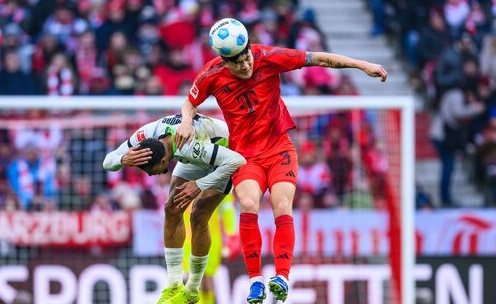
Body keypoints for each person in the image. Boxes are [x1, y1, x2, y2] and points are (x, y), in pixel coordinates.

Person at [175, 18, 387, 303]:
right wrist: (186, 121)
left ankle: (282, 277)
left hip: (278, 148)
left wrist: (362, 64)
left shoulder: (268, 57)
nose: (245, 64)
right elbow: (189, 102)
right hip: (245, 155)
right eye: (236, 62)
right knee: (249, 203)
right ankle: (255, 282)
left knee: (282, 204)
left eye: (246, 55)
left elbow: (319, 59)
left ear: (250, 47)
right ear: (224, 61)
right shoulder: (210, 75)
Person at [103, 114, 246, 304]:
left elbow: (237, 161)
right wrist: (122, 159)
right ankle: (173, 285)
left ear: (163, 161)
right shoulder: (147, 134)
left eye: (151, 171)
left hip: (228, 153)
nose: (151, 176)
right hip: (195, 155)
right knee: (171, 207)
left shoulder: (192, 146)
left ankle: (192, 289)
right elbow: (107, 162)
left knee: (198, 213)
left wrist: (200, 184)